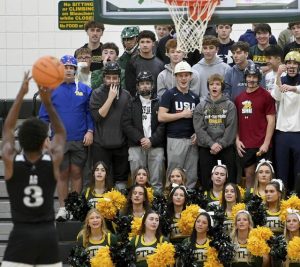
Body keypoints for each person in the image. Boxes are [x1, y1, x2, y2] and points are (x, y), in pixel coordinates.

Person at [1, 72, 66, 267]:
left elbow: (7, 129)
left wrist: (21, 94)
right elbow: (61, 133)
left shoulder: (11, 163)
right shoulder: (52, 161)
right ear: (44, 142)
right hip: (47, 234)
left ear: (22, 140)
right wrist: (47, 103)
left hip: (21, 233)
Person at [39, 55, 94, 221]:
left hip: (80, 139)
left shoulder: (85, 90)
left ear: (76, 70)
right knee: (62, 174)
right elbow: (43, 117)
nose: (69, 70)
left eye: (72, 67)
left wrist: (90, 131)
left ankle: (74, 208)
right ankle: (63, 209)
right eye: (66, 67)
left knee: (77, 173)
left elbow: (90, 114)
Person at [89, 62, 131, 190]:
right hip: (101, 145)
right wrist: (110, 98)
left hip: (121, 145)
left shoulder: (126, 95)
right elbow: (97, 116)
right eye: (108, 78)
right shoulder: (96, 93)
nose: (111, 81)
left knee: (121, 183)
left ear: (119, 78)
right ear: (104, 78)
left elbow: (129, 120)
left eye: (115, 78)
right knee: (102, 180)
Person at [122, 71, 165, 193]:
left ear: (152, 86)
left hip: (156, 145)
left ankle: (157, 206)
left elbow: (163, 124)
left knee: (156, 181)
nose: (145, 86)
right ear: (137, 86)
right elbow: (126, 124)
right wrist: (141, 139)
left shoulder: (160, 102)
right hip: (136, 145)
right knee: (138, 180)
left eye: (147, 83)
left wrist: (151, 140)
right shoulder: (130, 102)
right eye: (142, 83)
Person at [158, 61, 199, 189]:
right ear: (175, 77)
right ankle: (171, 198)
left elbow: (197, 119)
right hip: (175, 139)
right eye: (180, 75)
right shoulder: (169, 94)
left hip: (192, 140)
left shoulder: (194, 97)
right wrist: (182, 114)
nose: (183, 78)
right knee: (174, 173)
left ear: (190, 77)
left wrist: (197, 133)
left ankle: (190, 200)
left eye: (186, 75)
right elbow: (161, 116)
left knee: (191, 174)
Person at [235, 64, 276, 189]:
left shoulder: (266, 96)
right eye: (249, 76)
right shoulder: (238, 98)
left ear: (259, 78)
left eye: (254, 77)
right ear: (245, 78)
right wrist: (237, 140)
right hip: (245, 144)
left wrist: (266, 143)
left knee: (264, 177)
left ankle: (265, 204)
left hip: (262, 144)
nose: (251, 79)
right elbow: (236, 122)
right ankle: (249, 202)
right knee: (248, 176)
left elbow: (271, 120)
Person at [193, 73, 237, 190]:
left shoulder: (230, 106)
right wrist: (211, 144)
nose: (214, 87)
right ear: (208, 87)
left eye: (217, 84)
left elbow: (231, 128)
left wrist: (220, 144)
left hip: (226, 148)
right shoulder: (200, 106)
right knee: (206, 179)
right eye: (212, 84)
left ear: (222, 87)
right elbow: (199, 128)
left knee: (229, 180)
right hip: (206, 148)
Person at [271, 51, 300, 192]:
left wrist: (293, 88)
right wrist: (278, 76)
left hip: (298, 133)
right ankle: (282, 200)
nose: (292, 66)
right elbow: (276, 96)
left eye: (295, 63)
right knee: (282, 169)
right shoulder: (281, 79)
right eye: (289, 63)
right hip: (282, 133)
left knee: (298, 171)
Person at [125, 30, 164, 97]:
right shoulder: (132, 63)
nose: (145, 45)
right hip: (137, 102)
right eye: (142, 42)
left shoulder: (160, 64)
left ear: (153, 43)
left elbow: (161, 87)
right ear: (138, 44)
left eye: (148, 42)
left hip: (155, 102)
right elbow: (130, 87)